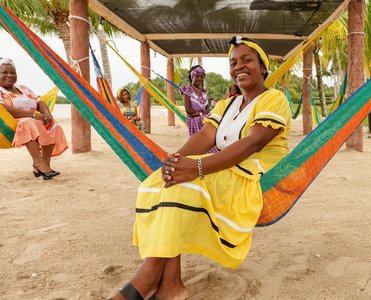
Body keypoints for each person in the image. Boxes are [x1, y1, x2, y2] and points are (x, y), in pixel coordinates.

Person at [109, 36, 291, 300]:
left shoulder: (273, 100)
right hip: (225, 168)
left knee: (180, 187)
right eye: (233, 63)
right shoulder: (226, 104)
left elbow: (253, 143)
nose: (239, 66)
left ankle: (149, 278)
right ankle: (170, 284)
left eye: (247, 60)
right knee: (157, 182)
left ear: (263, 67)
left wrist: (196, 168)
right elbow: (206, 137)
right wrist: (176, 160)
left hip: (252, 176)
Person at [0, 57, 67, 180]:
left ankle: (44, 165)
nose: (10, 75)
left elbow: (40, 102)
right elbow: (1, 108)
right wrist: (33, 115)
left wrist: (47, 114)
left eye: (13, 72)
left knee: (54, 125)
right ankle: (38, 162)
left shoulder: (24, 88)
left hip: (33, 121)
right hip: (11, 123)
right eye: (5, 72)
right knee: (28, 122)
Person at [179, 65, 210, 136]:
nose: (199, 78)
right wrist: (202, 114)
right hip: (194, 123)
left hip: (205, 121)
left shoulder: (203, 91)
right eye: (197, 76)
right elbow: (188, 110)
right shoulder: (187, 90)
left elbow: (208, 108)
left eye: (202, 77)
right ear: (192, 77)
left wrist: (199, 114)